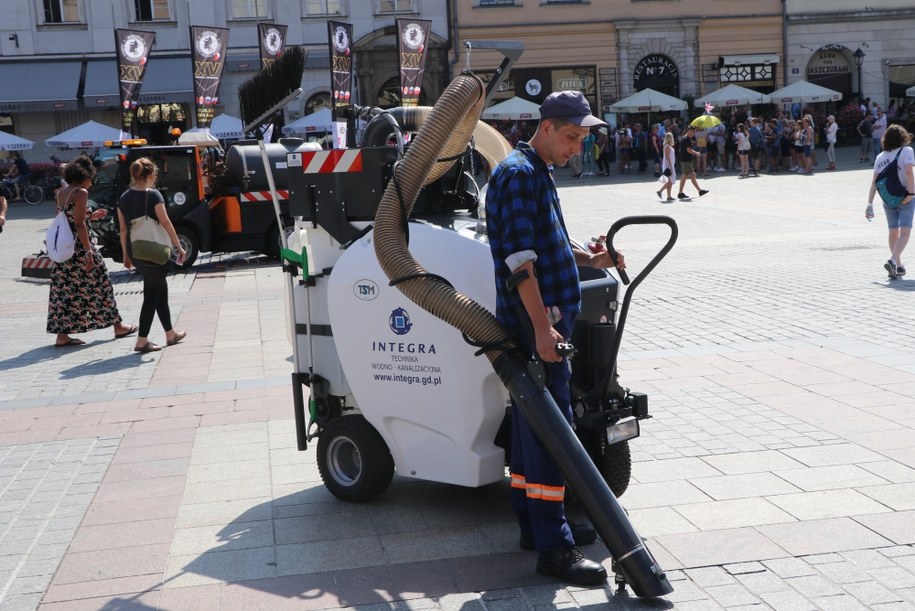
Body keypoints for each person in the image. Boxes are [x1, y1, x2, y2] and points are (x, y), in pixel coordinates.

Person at [485, 90, 628, 587]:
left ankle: (534, 526)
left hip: (544, 318)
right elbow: (520, 262)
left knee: (532, 428)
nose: (575, 149)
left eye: (581, 140)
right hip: (538, 322)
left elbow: (548, 242)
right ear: (545, 127)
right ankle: (554, 548)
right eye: (571, 138)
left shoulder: (534, 170)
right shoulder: (520, 175)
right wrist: (543, 330)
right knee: (553, 432)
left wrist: (591, 260)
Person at [47, 157, 138, 347]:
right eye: (91, 178)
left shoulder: (60, 193)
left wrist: (90, 215)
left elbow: (68, 218)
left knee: (65, 290)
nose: (92, 182)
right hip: (81, 248)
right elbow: (78, 223)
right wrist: (89, 252)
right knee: (102, 284)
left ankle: (62, 335)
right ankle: (118, 326)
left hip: (66, 249)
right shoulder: (80, 193)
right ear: (84, 176)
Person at [116, 157, 187, 353]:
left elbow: (123, 230)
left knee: (159, 290)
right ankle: (141, 341)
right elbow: (165, 222)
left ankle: (170, 333)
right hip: (153, 250)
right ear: (150, 175)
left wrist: (125, 255)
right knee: (151, 296)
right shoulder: (154, 195)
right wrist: (178, 246)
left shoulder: (123, 198)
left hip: (136, 250)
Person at [867, 124, 915, 279]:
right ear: (903, 137)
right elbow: (908, 172)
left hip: (888, 199)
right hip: (905, 196)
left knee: (893, 231)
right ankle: (893, 260)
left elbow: (874, 182)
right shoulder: (906, 151)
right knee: (905, 232)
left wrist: (869, 204)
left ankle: (898, 266)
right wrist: (912, 193)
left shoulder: (880, 157)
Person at [677, 126, 709, 199]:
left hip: (685, 160)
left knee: (692, 176)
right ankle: (680, 193)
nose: (692, 133)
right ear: (688, 131)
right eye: (691, 132)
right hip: (686, 160)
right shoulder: (687, 139)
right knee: (685, 176)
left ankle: (699, 191)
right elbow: (688, 150)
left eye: (694, 132)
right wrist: (696, 153)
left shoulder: (684, 138)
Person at [656, 132, 677, 202]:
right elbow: (667, 157)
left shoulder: (667, 146)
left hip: (669, 165)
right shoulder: (667, 146)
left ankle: (669, 196)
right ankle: (660, 191)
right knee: (670, 181)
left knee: (669, 181)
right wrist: (671, 167)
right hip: (668, 165)